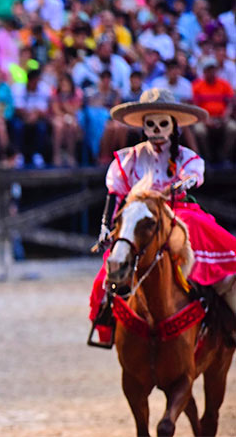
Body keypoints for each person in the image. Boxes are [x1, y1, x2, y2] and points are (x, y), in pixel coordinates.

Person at [89, 88, 236, 344]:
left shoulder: (184, 157)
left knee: (197, 228)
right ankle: (108, 315)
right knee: (113, 259)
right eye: (151, 125)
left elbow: (193, 174)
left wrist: (185, 183)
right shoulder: (131, 158)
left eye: (162, 124)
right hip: (140, 214)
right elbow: (114, 194)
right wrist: (105, 226)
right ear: (144, 127)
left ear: (173, 126)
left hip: (177, 211)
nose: (156, 130)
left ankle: (225, 302)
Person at [191, 57, 236, 165]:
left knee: (233, 128)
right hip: (204, 119)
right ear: (204, 71)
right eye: (208, 69)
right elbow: (194, 106)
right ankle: (207, 158)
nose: (211, 72)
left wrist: (225, 117)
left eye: (213, 69)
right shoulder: (197, 85)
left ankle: (224, 157)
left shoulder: (224, 84)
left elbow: (230, 103)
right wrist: (206, 120)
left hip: (222, 118)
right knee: (199, 131)